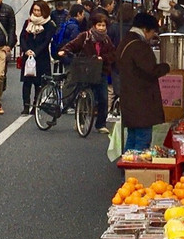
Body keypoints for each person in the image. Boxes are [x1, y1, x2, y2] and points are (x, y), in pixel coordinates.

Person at [116, 12, 171, 151]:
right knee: (142, 139)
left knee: (133, 137)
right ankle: (136, 169)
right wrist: (166, 66)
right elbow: (151, 70)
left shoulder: (125, 41)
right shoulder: (139, 46)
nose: (153, 36)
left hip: (129, 96)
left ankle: (127, 167)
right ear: (146, 29)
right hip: (141, 101)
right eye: (153, 32)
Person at [60, 13, 117, 134]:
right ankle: (80, 121)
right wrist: (64, 51)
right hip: (85, 70)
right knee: (83, 96)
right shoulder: (85, 36)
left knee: (103, 98)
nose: (101, 28)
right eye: (99, 25)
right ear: (94, 25)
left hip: (101, 71)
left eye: (103, 25)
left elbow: (113, 54)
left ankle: (101, 124)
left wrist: (103, 58)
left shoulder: (106, 40)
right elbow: (72, 45)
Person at [18, 0, 56, 115]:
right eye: (34, 10)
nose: (36, 12)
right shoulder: (28, 22)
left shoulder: (50, 24)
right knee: (26, 82)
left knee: (39, 83)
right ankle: (26, 105)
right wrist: (26, 50)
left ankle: (36, 105)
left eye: (38, 10)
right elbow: (22, 37)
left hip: (41, 57)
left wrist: (35, 52)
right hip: (28, 56)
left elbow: (46, 41)